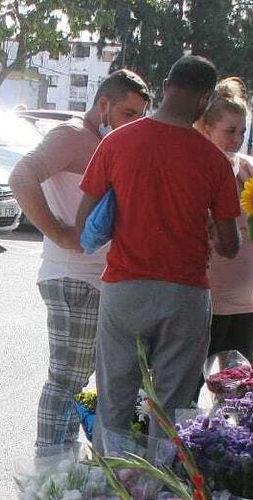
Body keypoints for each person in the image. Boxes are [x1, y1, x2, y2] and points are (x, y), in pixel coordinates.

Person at [76, 54, 242, 452]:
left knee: (115, 397)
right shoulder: (214, 161)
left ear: (165, 87)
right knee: (171, 406)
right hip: (184, 294)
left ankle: (111, 482)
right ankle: (160, 486)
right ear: (205, 99)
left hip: (125, 288)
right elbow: (230, 246)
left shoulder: (116, 142)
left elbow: (85, 220)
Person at [10, 69, 153, 455]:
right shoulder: (71, 135)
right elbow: (21, 177)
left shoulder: (106, 143)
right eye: (127, 113)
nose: (133, 124)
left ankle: (67, 466)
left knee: (89, 379)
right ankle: (49, 471)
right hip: (74, 278)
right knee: (67, 380)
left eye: (140, 117)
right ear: (103, 105)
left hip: (101, 280)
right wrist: (59, 233)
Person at [194, 77, 253, 363]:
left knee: (242, 376)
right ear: (206, 128)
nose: (237, 139)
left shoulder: (248, 169)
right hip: (210, 295)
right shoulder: (198, 168)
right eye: (229, 131)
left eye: (242, 131)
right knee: (199, 376)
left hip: (245, 299)